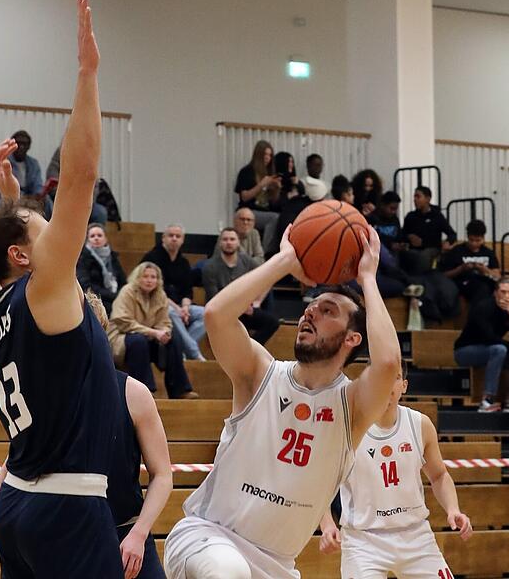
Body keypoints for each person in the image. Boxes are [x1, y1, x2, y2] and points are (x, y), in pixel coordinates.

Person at [0, 0, 125, 577]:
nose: (52, 227)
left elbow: (23, 250)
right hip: (66, 505)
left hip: (17, 500)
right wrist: (87, 74)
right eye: (42, 227)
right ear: (22, 254)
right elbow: (82, 175)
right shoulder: (41, 289)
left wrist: (12, 202)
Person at [164, 226, 400, 579]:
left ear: (353, 338)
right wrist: (283, 261)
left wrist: (368, 277)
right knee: (228, 571)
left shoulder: (353, 406)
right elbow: (216, 316)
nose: (310, 313)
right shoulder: (259, 373)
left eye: (328, 311)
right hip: (208, 537)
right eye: (311, 307)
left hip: (276, 566)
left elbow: (386, 365)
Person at [0, 293, 172, 579]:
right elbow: (12, 468)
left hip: (126, 532)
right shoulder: (47, 394)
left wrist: (139, 532)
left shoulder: (133, 392)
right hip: (71, 533)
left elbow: (162, 474)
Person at [319, 367, 472, 577]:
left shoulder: (420, 424)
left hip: (415, 535)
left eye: (395, 378)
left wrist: (453, 509)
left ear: (404, 386)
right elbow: (319, 483)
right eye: (382, 377)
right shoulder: (349, 427)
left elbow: (439, 475)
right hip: (363, 540)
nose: (388, 384)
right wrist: (327, 525)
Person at [107, 262, 198, 399]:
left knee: (172, 341)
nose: (149, 280)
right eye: (145, 276)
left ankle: (180, 391)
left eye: (153, 277)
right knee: (138, 341)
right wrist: (154, 333)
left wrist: (165, 332)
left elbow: (165, 322)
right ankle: (145, 391)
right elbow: (122, 321)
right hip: (121, 339)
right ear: (137, 278)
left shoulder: (160, 295)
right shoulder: (127, 291)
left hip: (147, 338)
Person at [453, 278, 509, 413]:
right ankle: (487, 399)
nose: (507, 296)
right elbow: (488, 337)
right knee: (499, 349)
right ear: (495, 293)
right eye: (503, 292)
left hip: (492, 350)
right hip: (465, 351)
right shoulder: (483, 307)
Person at [203, 228, 279, 346]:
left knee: (272, 322)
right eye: (225, 239)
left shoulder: (247, 261)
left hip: (244, 310)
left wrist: (256, 302)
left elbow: (268, 278)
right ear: (220, 243)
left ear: (238, 242)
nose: (229, 242)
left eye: (232, 239)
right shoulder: (210, 267)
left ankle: (251, 347)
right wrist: (240, 306)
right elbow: (214, 300)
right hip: (223, 313)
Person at [141, 225, 206, 361]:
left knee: (207, 313)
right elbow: (156, 290)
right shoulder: (151, 258)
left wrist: (185, 308)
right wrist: (178, 309)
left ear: (182, 240)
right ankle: (194, 352)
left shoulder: (183, 262)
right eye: (171, 235)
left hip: (180, 305)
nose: (174, 239)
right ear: (163, 238)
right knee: (170, 311)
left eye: (178, 236)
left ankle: (181, 350)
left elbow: (187, 290)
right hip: (156, 303)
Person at [0, 130, 51, 216]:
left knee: (47, 200)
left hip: (27, 198)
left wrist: (40, 195)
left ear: (29, 146)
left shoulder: (33, 164)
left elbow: (37, 186)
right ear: (13, 146)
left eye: (25, 144)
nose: (21, 147)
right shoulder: (4, 161)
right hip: (2, 199)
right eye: (19, 143)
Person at [234, 140, 281, 252]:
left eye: (270, 155)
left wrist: (276, 188)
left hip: (264, 210)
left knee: (280, 217)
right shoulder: (247, 171)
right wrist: (261, 185)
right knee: (274, 218)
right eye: (265, 154)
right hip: (249, 210)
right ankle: (265, 252)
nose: (267, 158)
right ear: (258, 155)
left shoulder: (270, 173)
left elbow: (273, 202)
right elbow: (244, 197)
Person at [45, 141, 108, 224]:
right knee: (47, 203)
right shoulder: (58, 159)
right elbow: (52, 184)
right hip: (60, 202)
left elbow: (94, 187)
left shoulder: (88, 161)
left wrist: (84, 204)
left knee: (100, 212)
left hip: (83, 203)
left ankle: (93, 235)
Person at [438, 219, 500, 303]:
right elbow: (444, 275)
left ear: (483, 238)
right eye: (471, 240)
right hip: (465, 283)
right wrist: (461, 269)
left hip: (486, 282)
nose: (474, 243)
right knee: (482, 289)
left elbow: (497, 276)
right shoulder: (457, 251)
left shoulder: (488, 253)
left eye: (478, 240)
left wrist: (484, 270)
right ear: (467, 237)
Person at [400, 186, 457, 275]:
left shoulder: (437, 216)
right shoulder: (410, 216)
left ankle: (421, 281)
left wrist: (447, 242)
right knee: (404, 254)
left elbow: (452, 234)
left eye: (418, 197)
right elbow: (402, 234)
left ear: (428, 199)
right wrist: (408, 237)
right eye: (414, 197)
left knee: (424, 255)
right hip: (413, 248)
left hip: (432, 247)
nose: (415, 199)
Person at [77, 223, 127, 314]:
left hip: (115, 298)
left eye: (99, 235)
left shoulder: (113, 257)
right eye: (92, 236)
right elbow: (86, 286)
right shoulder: (83, 258)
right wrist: (113, 296)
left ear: (105, 239)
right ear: (87, 240)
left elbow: (123, 281)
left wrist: (120, 295)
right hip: (95, 301)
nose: (96, 238)